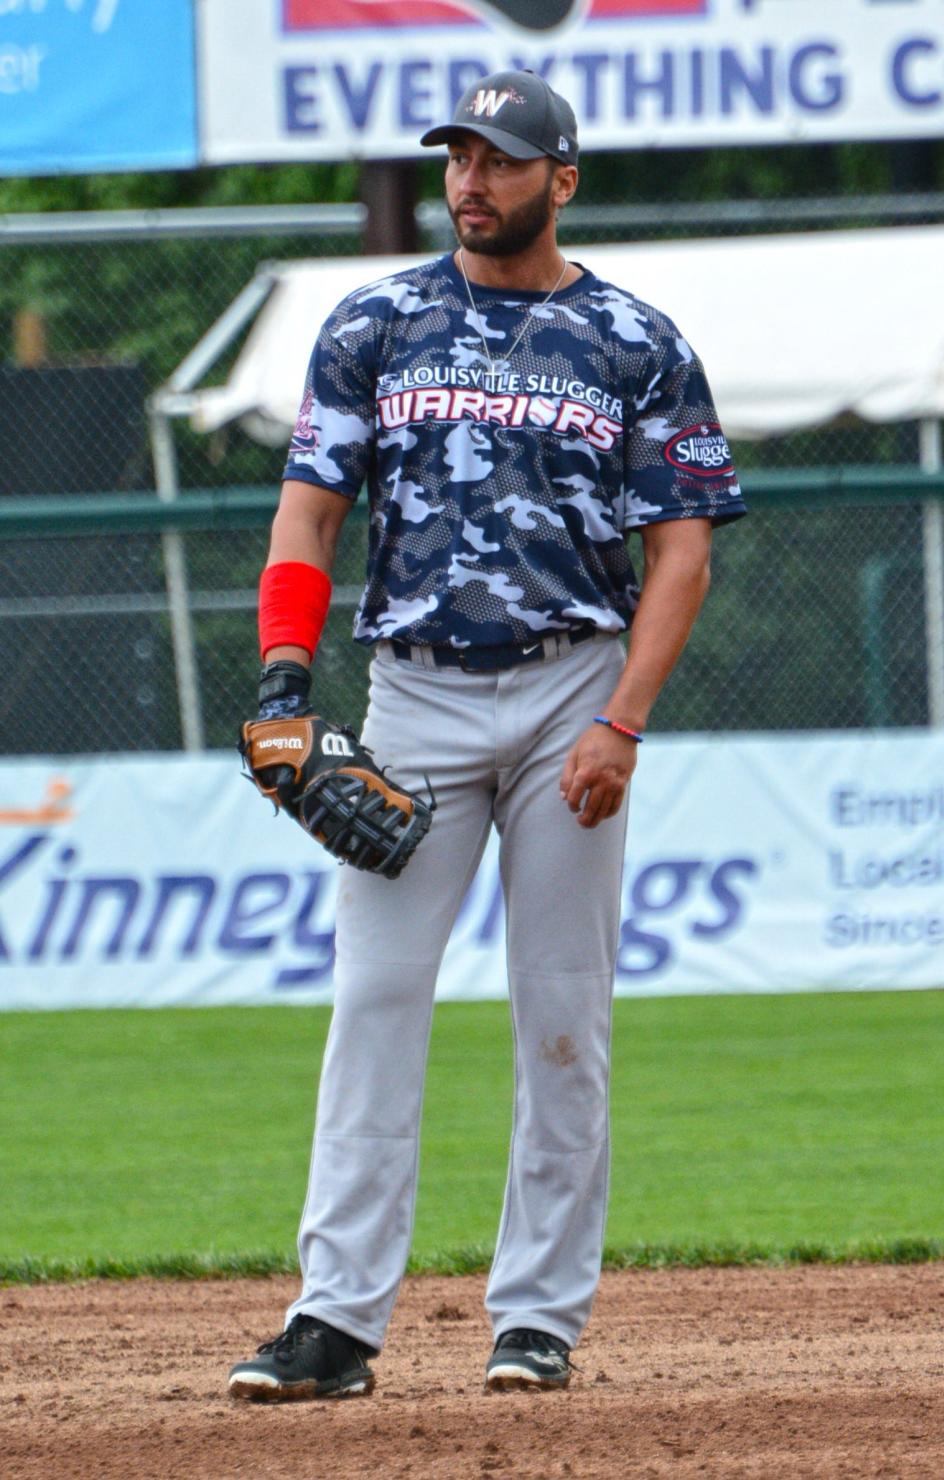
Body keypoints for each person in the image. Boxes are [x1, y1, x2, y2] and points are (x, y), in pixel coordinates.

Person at [228, 69, 746, 1403]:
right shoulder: (377, 321)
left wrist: (623, 719)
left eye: (504, 161)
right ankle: (335, 1322)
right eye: (460, 156)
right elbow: (307, 514)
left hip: (576, 690)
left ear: (561, 180)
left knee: (562, 1015)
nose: (473, 181)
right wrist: (287, 674)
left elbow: (680, 555)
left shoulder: (636, 337)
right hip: (415, 695)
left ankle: (537, 1321)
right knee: (376, 1002)